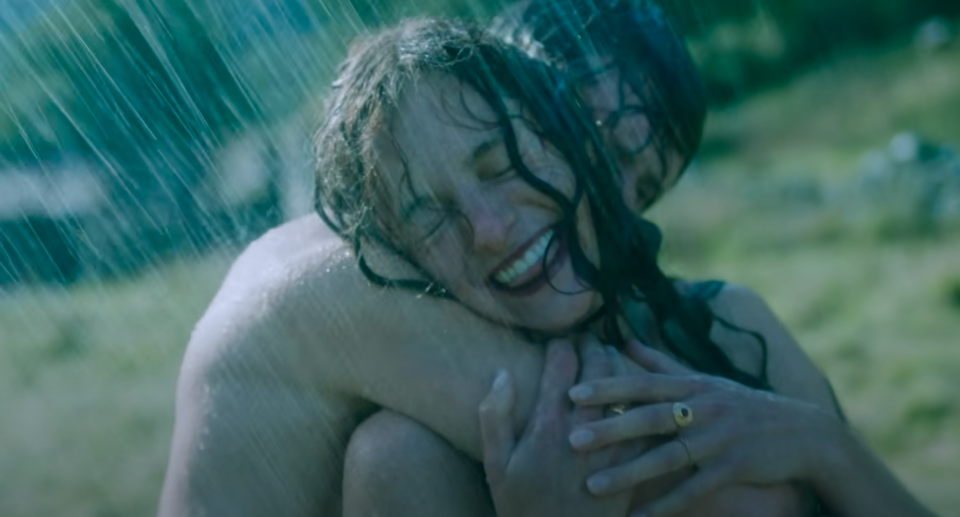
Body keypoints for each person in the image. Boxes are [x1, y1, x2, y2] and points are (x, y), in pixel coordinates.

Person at [158, 6, 930, 517]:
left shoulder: (725, 321)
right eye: (585, 138)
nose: (614, 200)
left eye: (644, 183)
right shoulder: (366, 321)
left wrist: (823, 445)